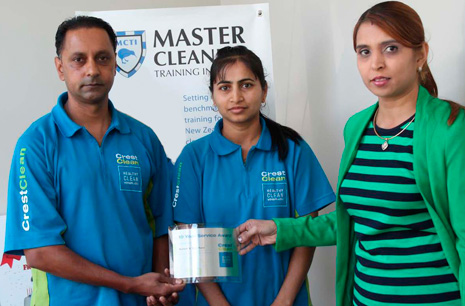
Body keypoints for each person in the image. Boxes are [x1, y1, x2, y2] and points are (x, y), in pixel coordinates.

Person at [236, 1, 465, 305]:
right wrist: (279, 229)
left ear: (420, 53)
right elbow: (353, 220)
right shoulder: (357, 127)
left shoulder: (450, 128)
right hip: (364, 299)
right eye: (364, 51)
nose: (376, 63)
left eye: (391, 48)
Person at [3, 16, 184, 306]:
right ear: (60, 68)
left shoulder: (143, 138)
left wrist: (156, 286)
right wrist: (129, 284)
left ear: (115, 63)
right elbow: (39, 251)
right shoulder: (36, 144)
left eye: (102, 58)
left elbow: (162, 226)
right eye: (78, 59)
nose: (92, 70)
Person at [169, 46, 335, 306]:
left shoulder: (293, 149)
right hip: (217, 300)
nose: (236, 96)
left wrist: (285, 299)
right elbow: (189, 241)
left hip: (285, 297)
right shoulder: (193, 157)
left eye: (246, 85)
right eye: (225, 87)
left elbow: (307, 234)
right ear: (212, 96)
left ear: (264, 91)